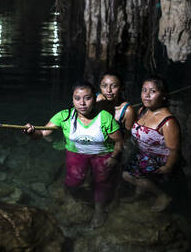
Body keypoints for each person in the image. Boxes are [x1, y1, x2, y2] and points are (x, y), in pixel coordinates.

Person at [23, 80, 123, 228]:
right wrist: (31, 133)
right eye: (77, 98)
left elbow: (119, 142)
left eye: (87, 98)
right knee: (73, 181)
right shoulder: (64, 116)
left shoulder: (104, 118)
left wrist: (114, 157)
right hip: (76, 153)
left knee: (102, 182)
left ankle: (99, 210)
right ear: (72, 100)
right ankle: (73, 196)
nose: (82, 103)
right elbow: (43, 133)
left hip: (102, 154)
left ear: (94, 99)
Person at [122, 76, 180, 212]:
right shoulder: (142, 110)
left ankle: (162, 196)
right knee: (127, 171)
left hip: (159, 158)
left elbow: (174, 149)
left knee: (127, 175)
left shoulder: (168, 121)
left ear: (164, 95)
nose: (147, 95)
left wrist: (168, 167)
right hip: (143, 154)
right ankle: (139, 195)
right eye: (144, 90)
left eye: (153, 91)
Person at [96, 71, 135, 136]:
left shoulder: (127, 110)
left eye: (114, 86)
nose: (108, 90)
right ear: (100, 87)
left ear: (121, 88)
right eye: (104, 86)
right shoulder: (95, 101)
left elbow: (128, 138)